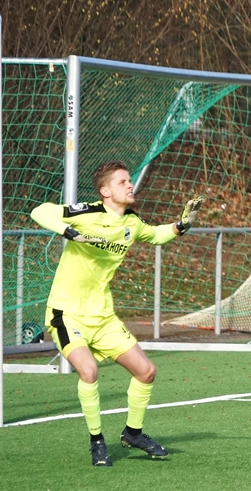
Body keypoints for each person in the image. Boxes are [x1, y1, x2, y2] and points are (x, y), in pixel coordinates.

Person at [30, 161, 202, 467]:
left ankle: (133, 434)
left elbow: (155, 234)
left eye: (129, 180)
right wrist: (68, 232)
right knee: (89, 371)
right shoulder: (88, 213)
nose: (130, 185)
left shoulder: (131, 222)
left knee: (146, 371)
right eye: (122, 182)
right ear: (105, 191)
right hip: (67, 314)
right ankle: (97, 442)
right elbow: (40, 211)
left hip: (103, 318)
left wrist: (181, 224)